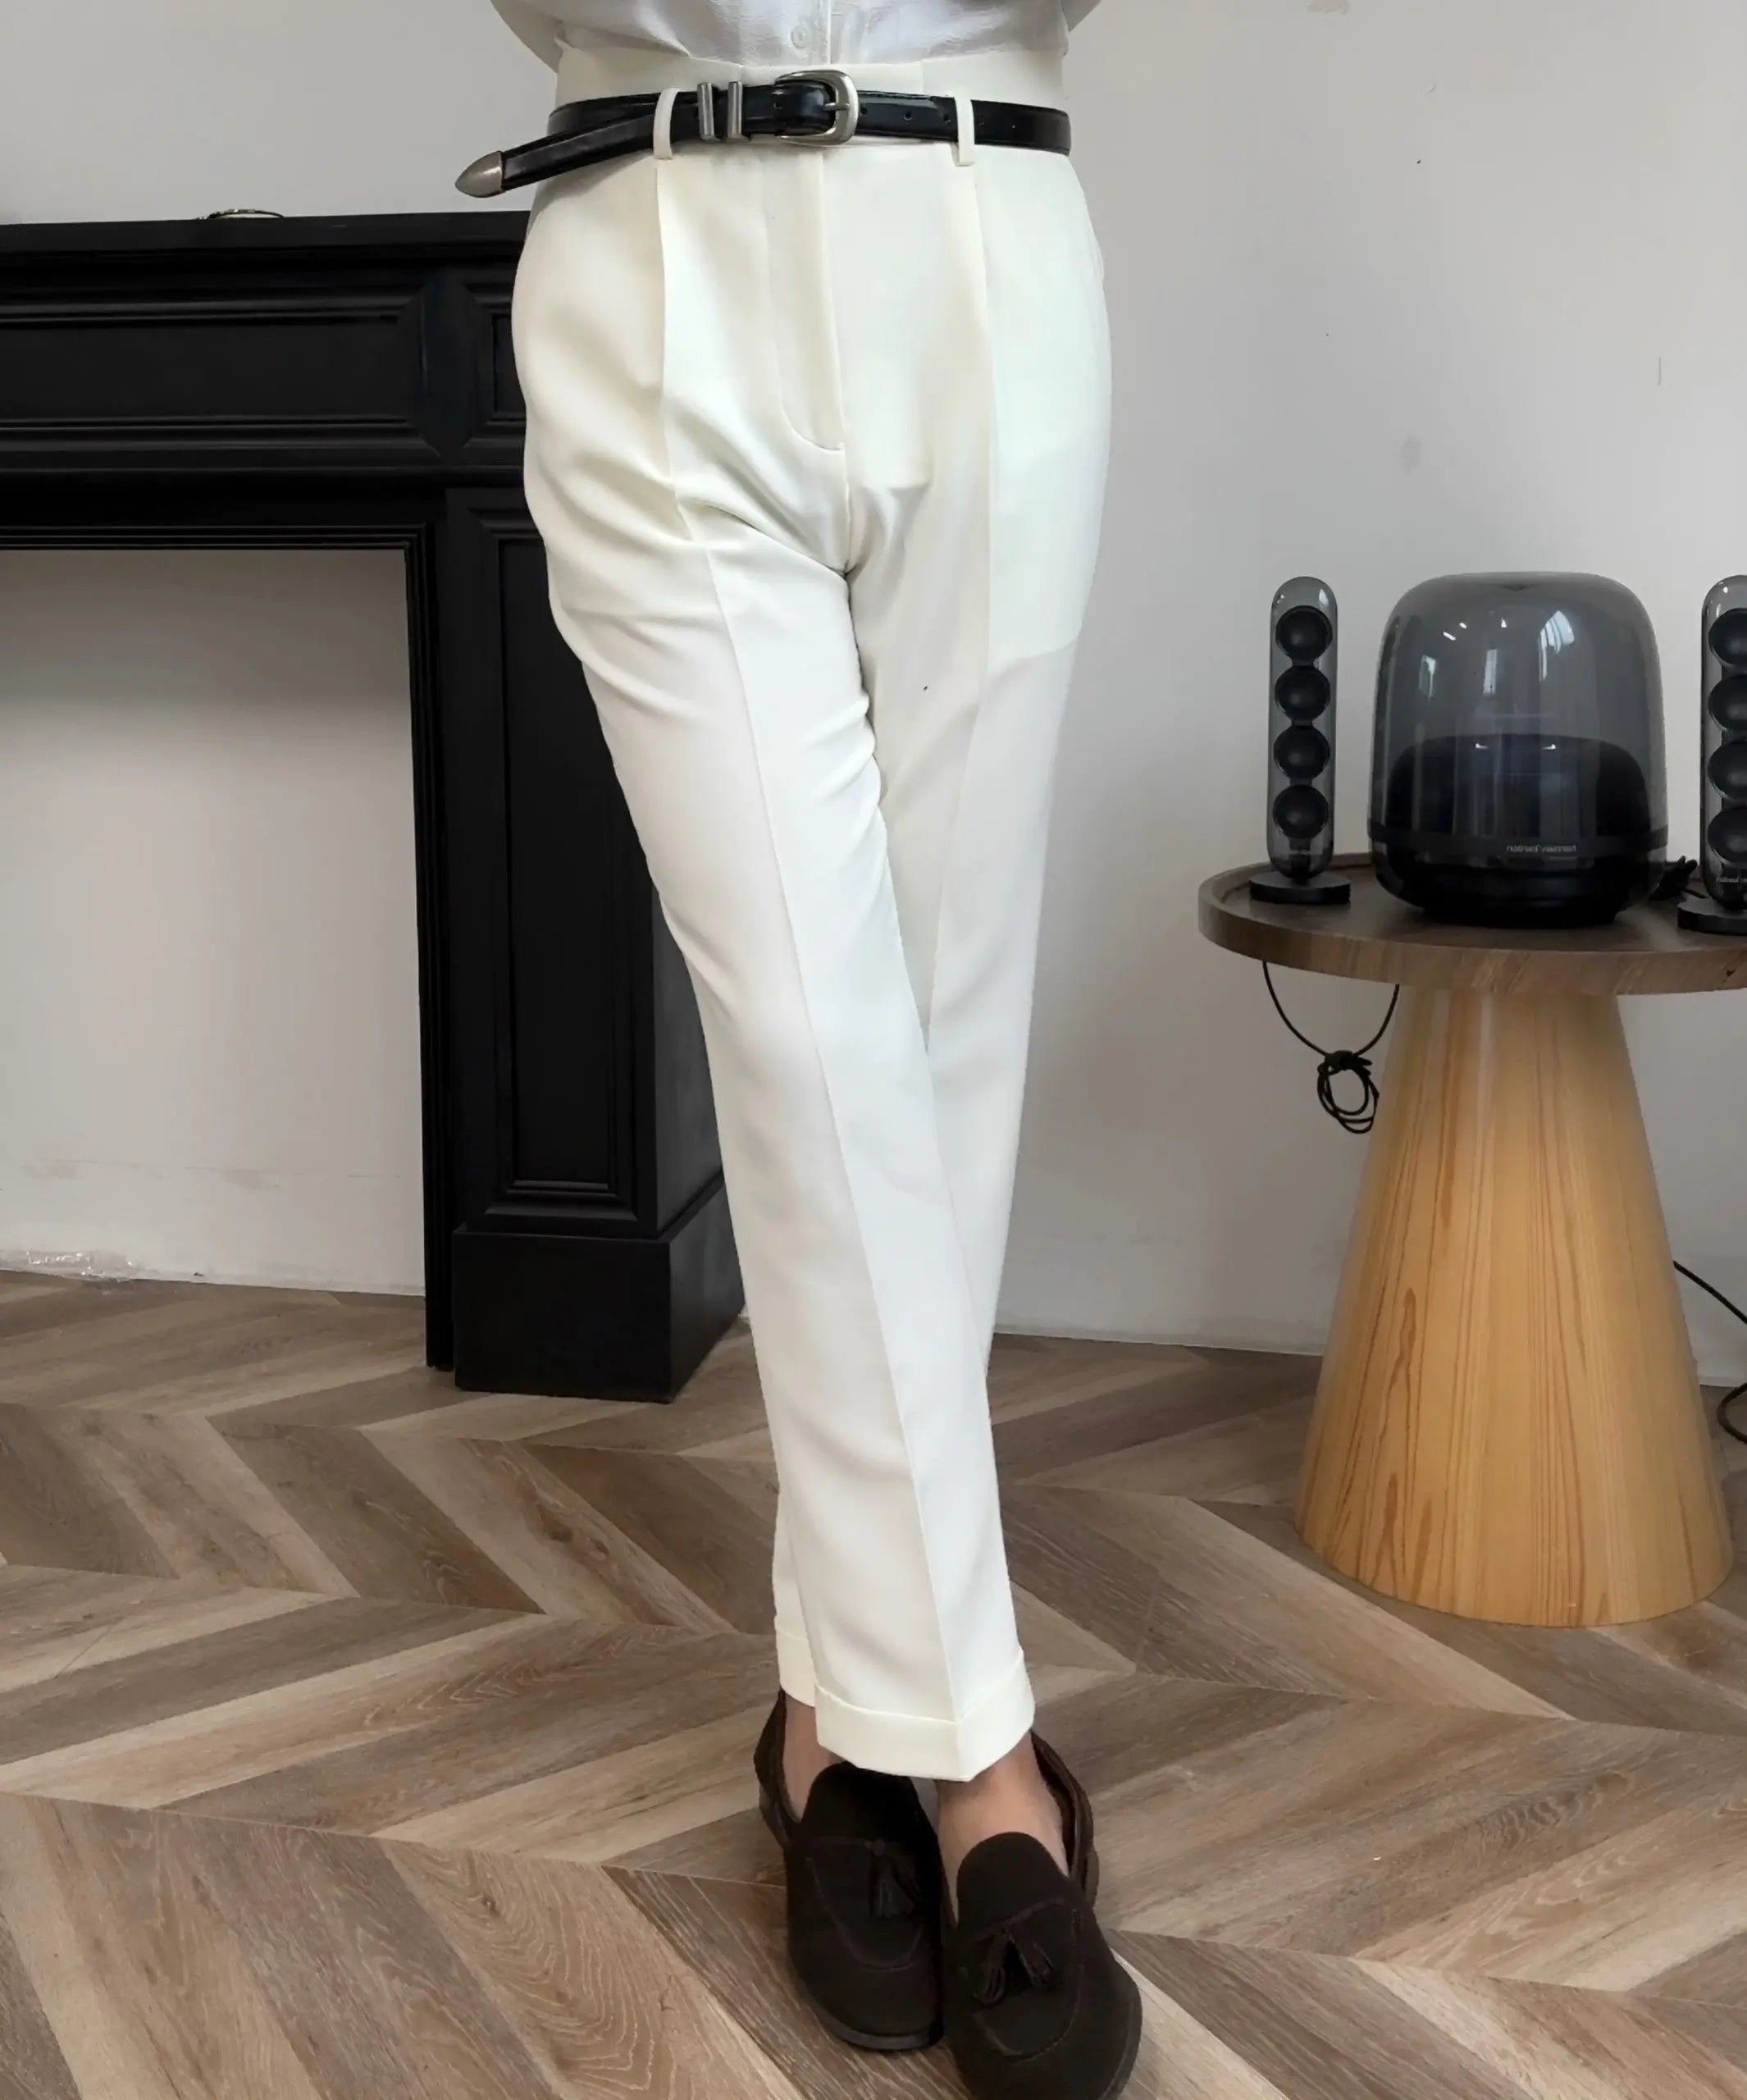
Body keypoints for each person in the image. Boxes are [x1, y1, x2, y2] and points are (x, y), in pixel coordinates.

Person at [484, 2, 1137, 2093]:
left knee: (939, 1046)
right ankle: (983, 1764)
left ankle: (823, 1706)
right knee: (806, 1035)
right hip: (643, 227)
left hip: (980, 207)